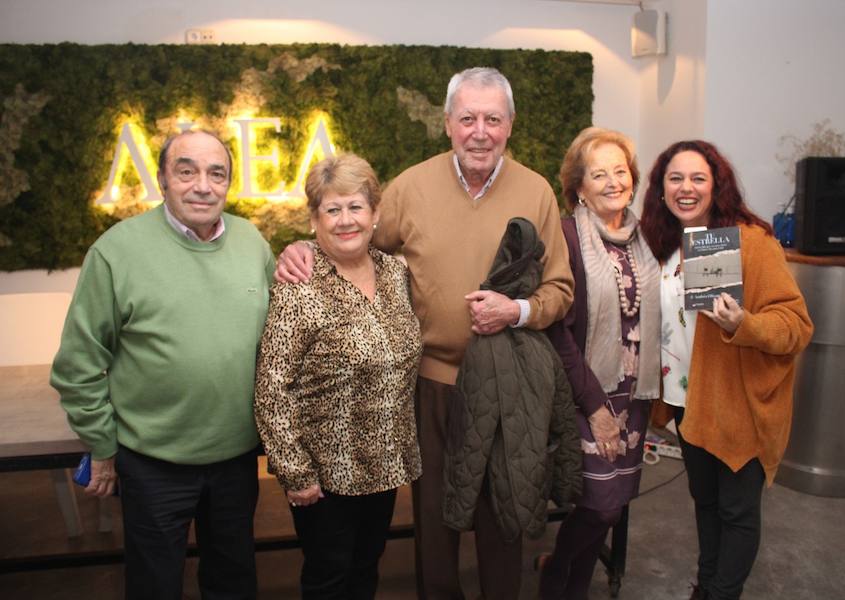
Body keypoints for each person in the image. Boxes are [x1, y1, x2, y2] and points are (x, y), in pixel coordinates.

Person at [276, 67, 574, 599]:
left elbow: (560, 290)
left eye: (492, 119)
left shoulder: (536, 191)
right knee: (435, 522)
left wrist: (519, 309)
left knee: (502, 513)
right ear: (447, 123)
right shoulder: (410, 187)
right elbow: (354, 241)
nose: (479, 131)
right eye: (467, 118)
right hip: (430, 385)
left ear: (510, 125)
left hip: (508, 385)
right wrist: (304, 248)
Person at [51, 130, 274, 600]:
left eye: (217, 174)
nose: (203, 186)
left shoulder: (252, 242)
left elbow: (279, 340)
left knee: (234, 583)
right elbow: (79, 363)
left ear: (229, 184)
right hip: (153, 464)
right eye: (186, 171)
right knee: (155, 586)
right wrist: (102, 446)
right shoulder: (116, 252)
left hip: (236, 459)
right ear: (161, 181)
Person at [640, 140, 813, 600]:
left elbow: (796, 325)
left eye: (698, 177)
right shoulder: (662, 243)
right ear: (661, 189)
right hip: (685, 400)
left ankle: (721, 593)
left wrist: (745, 324)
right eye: (675, 178)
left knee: (737, 511)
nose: (686, 188)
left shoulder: (751, 242)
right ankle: (708, 584)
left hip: (737, 399)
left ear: (717, 185)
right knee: (706, 502)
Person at [253, 154, 423, 598]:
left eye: (355, 207)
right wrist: (296, 473)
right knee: (329, 577)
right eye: (332, 209)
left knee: (366, 570)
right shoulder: (299, 283)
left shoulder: (395, 272)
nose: (346, 220)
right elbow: (273, 388)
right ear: (314, 220)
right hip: (326, 477)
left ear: (375, 215)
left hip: (384, 465)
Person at [536, 128, 661, 599]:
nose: (613, 182)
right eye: (598, 174)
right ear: (579, 187)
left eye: (620, 171)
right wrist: (593, 405)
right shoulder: (568, 236)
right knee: (601, 504)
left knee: (613, 502)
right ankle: (556, 573)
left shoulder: (648, 237)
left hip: (635, 390)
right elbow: (557, 329)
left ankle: (574, 588)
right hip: (585, 389)